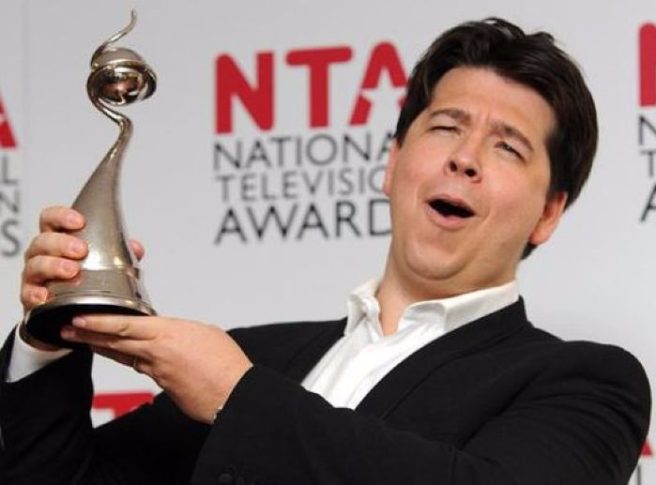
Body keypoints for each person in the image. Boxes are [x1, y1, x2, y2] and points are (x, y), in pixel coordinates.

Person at [0, 17, 650, 485]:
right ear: (391, 164)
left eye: (507, 146)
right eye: (445, 126)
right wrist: (47, 339)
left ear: (549, 212)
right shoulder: (255, 353)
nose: (464, 157)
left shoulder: (586, 381)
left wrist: (236, 397)